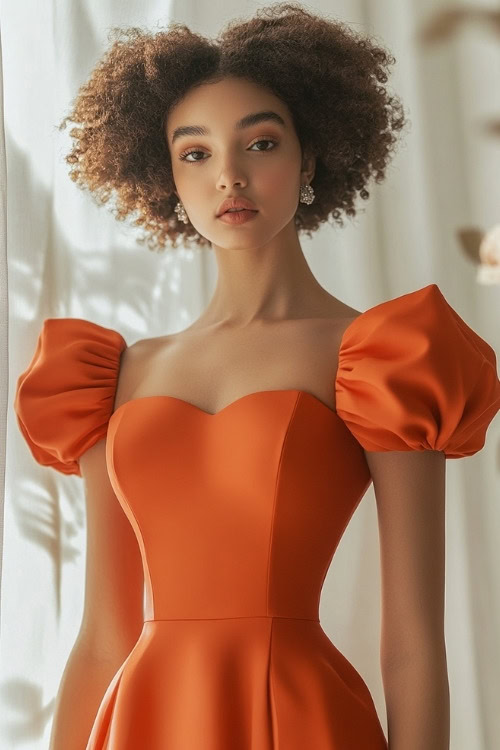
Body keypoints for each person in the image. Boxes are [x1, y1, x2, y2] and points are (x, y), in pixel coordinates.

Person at [13, 3, 500, 749]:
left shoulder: (381, 356)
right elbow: (102, 639)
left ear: (309, 159)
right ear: (165, 176)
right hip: (147, 719)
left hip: (301, 717)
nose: (230, 176)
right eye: (196, 153)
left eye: (261, 142)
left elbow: (412, 644)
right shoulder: (109, 375)